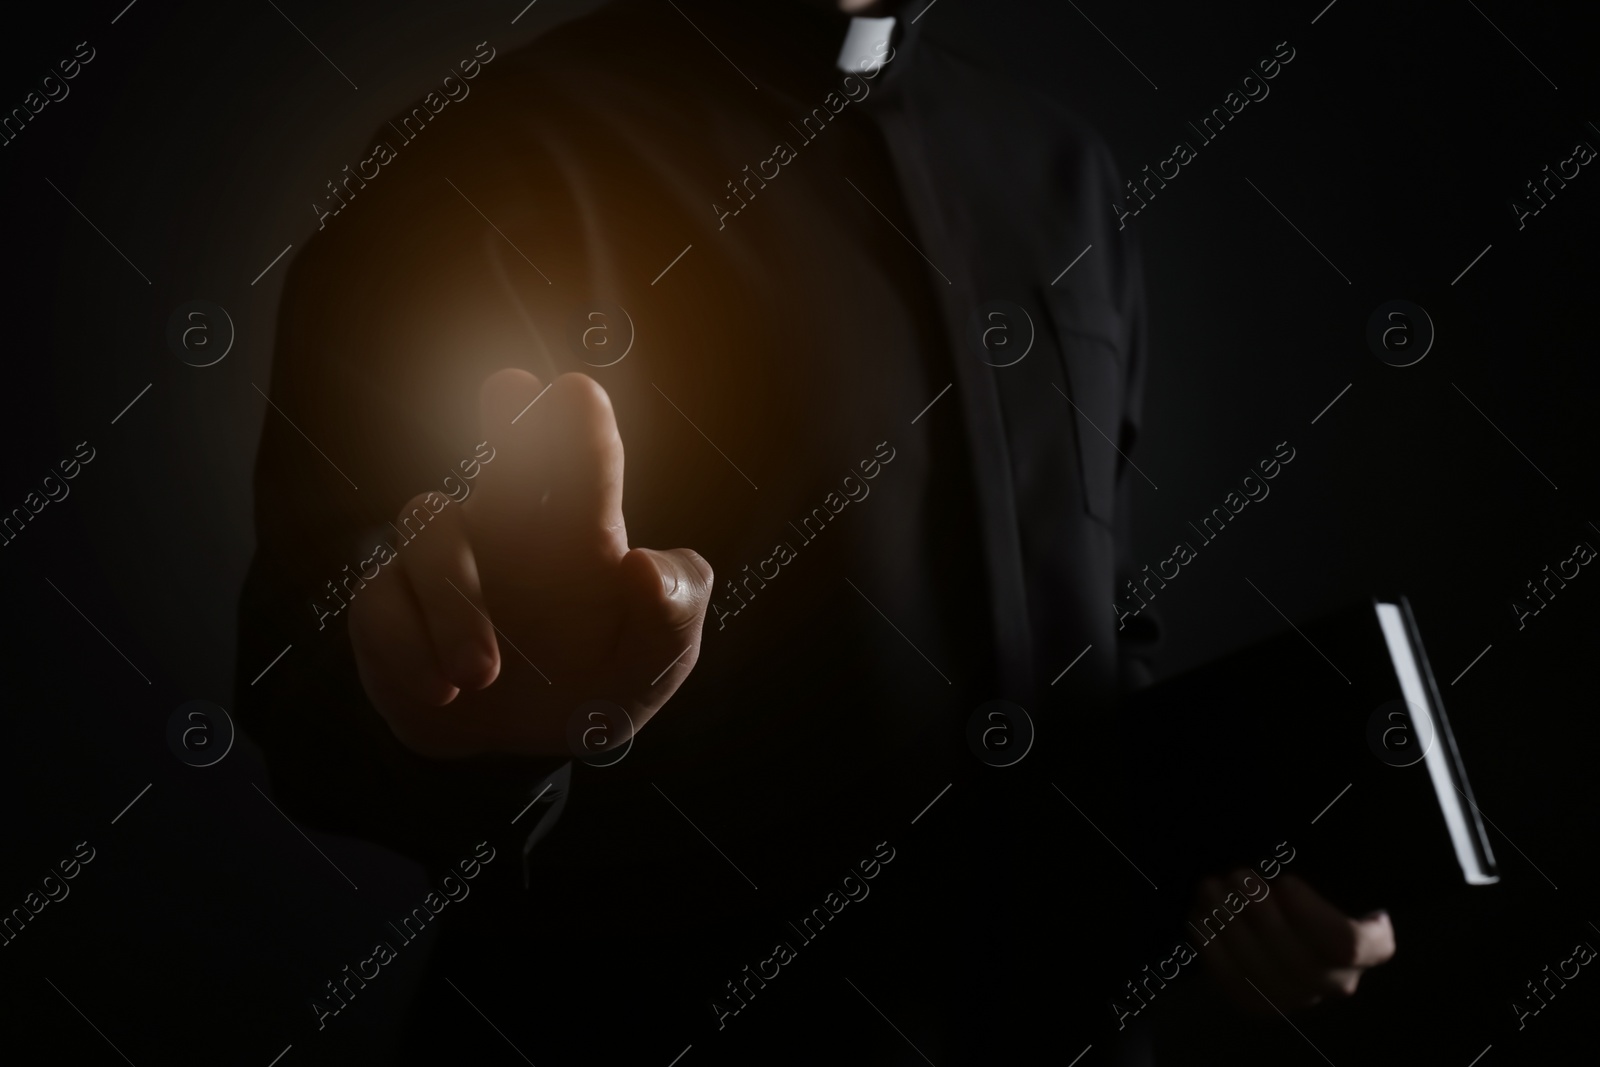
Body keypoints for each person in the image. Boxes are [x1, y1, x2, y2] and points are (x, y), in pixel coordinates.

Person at [236, 0, 1393, 1061]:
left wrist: (1251, 874)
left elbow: (1100, 625)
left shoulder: (1061, 170)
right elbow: (313, 679)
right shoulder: (481, 162)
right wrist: (455, 701)